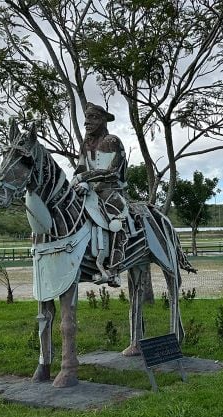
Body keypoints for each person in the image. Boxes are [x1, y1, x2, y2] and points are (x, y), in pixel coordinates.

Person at [71, 102, 128, 286]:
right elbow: (79, 169)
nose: (87, 122)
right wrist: (78, 183)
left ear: (104, 120)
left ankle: (114, 268)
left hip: (111, 190)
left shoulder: (112, 141)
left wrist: (86, 177)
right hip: (90, 191)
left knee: (115, 220)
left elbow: (113, 173)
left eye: (93, 118)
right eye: (86, 118)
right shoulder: (85, 144)